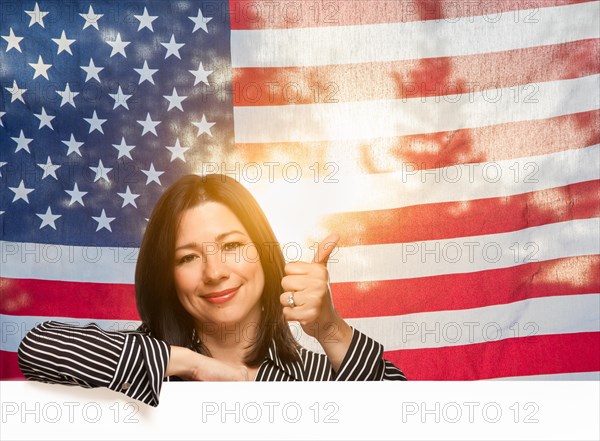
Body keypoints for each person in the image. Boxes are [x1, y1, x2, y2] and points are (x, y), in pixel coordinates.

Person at [18, 174, 406, 406]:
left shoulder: (317, 377)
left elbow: (407, 415)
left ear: (264, 254)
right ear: (167, 276)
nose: (214, 272)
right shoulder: (141, 364)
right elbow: (39, 347)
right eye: (187, 258)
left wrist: (329, 327)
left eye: (233, 247)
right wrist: (198, 366)